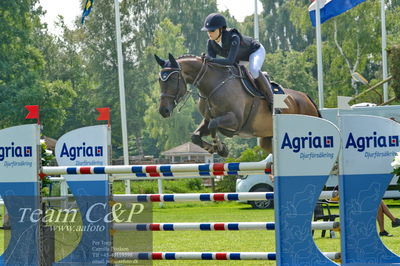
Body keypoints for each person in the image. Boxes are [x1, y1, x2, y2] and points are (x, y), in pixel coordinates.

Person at [201, 13, 275, 111]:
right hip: (240, 58)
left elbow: (230, 61)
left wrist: (212, 60)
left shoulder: (233, 37)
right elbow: (212, 64)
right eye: (208, 31)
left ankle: (272, 100)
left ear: (221, 29)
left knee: (254, 70)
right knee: (230, 75)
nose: (209, 33)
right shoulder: (211, 43)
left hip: (254, 51)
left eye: (212, 30)